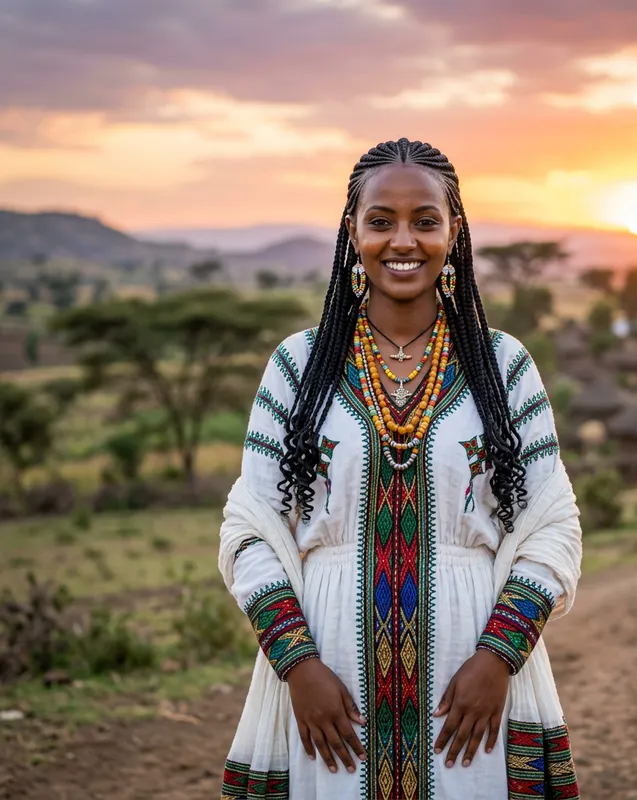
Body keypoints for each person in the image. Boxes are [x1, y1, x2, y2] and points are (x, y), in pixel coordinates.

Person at [218, 138, 582, 800]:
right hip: (328, 675)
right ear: (351, 231)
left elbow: (552, 523)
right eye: (380, 220)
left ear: (455, 231)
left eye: (425, 220)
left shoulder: (504, 368)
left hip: (470, 680)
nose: (402, 240)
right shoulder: (298, 368)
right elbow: (250, 530)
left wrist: (498, 658)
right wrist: (297, 666)